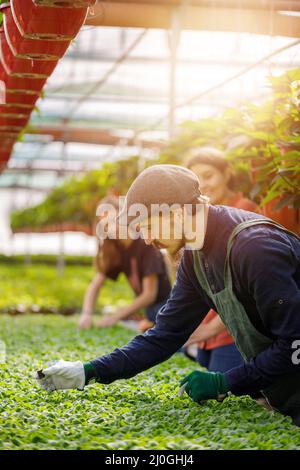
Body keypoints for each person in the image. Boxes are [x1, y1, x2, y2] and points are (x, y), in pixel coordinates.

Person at [36, 165, 300, 427]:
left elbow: (295, 343)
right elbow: (164, 336)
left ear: (180, 213)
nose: (147, 239)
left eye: (148, 226)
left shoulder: (254, 248)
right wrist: (88, 371)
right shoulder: (193, 257)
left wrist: (227, 382)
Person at [183, 147, 258, 372]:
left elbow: (250, 291)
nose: (203, 186)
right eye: (196, 181)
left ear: (226, 174)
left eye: (209, 176)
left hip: (234, 334)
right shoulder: (201, 220)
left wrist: (207, 331)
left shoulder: (244, 213)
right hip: (209, 332)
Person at [78, 196, 171, 330]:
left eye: (113, 220)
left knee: (168, 339)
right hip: (151, 311)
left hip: (166, 306)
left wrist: (115, 317)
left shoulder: (145, 243)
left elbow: (149, 295)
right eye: (105, 225)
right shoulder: (117, 250)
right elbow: (95, 285)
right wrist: (86, 314)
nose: (111, 228)